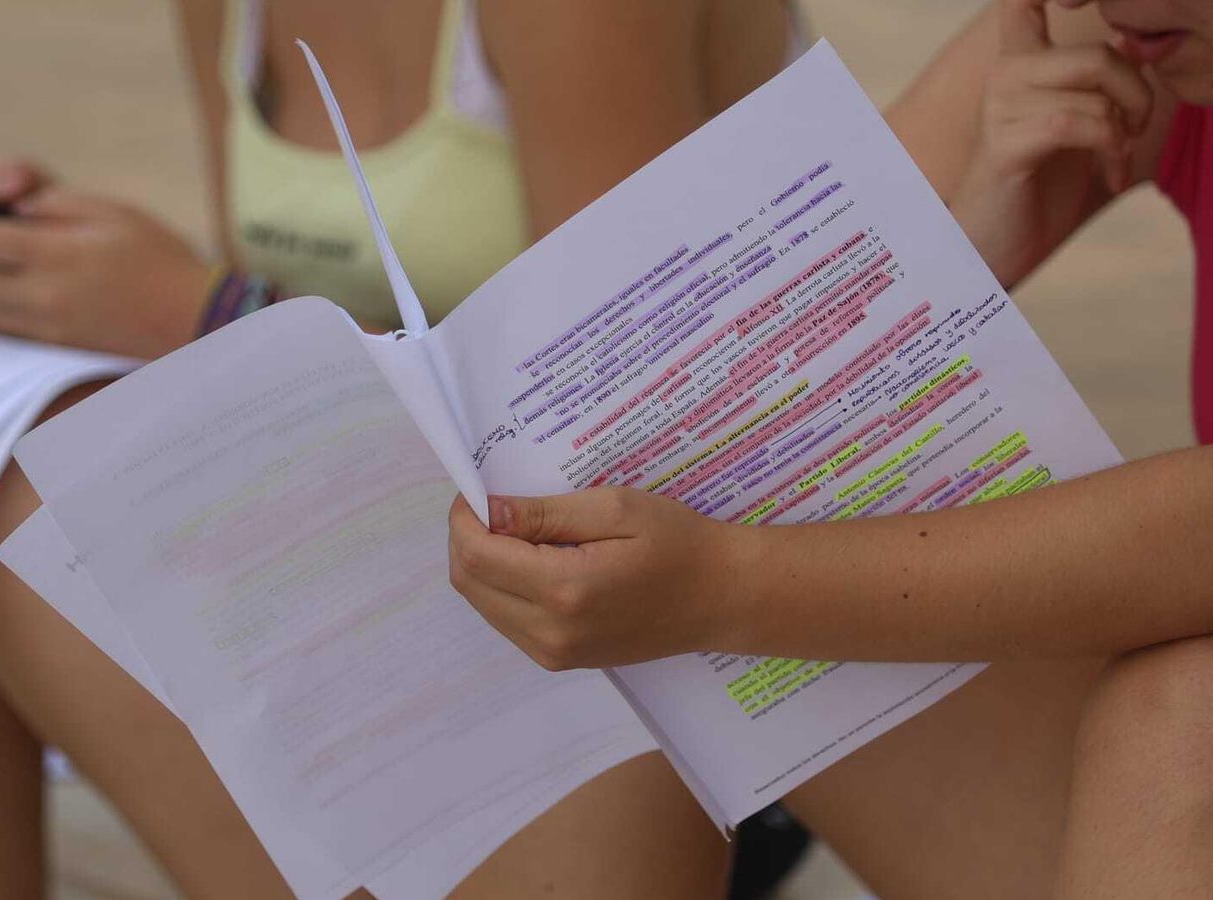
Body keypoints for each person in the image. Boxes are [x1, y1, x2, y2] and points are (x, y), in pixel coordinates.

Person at [0, 2, 813, 897]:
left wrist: (207, 308)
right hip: (428, 554)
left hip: (679, 652)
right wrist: (74, 287)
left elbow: (630, 401)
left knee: (5, 506)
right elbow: (270, 363)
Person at [448, 0, 1213, 895]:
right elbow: (708, 365)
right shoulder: (1139, 37)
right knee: (578, 572)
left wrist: (728, 587)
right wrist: (949, 266)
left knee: (1180, 720)